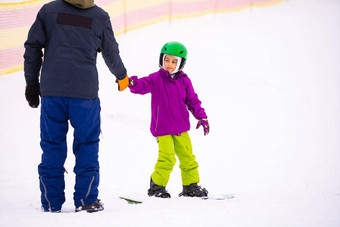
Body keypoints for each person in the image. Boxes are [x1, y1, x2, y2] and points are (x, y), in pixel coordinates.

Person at [23, 0, 129, 213]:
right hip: (85, 94)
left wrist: (32, 82)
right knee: (87, 144)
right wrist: (122, 76)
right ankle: (87, 200)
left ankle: (51, 202)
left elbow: (33, 46)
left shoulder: (49, 11)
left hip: (53, 91)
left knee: (52, 144)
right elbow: (111, 51)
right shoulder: (99, 16)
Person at [128, 41, 209, 198]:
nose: (169, 64)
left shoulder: (185, 81)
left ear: (181, 64)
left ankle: (190, 186)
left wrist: (202, 117)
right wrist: (132, 83)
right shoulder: (156, 79)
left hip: (181, 127)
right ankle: (156, 187)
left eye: (174, 61)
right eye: (167, 60)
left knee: (188, 157)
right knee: (167, 157)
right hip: (163, 127)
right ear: (161, 59)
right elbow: (142, 86)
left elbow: (192, 101)